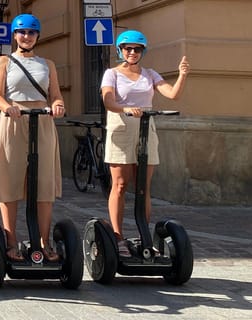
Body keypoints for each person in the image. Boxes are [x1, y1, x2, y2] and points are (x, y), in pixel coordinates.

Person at [102, 30, 189, 257]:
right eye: (128, 48)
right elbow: (108, 100)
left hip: (146, 128)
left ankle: (144, 236)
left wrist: (182, 75)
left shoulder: (149, 74)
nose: (132, 52)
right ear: (120, 50)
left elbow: (172, 95)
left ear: (142, 51)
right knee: (120, 186)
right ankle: (118, 236)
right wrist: (125, 108)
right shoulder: (111, 74)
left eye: (137, 49)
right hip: (121, 127)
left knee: (143, 187)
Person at [0, 14, 66, 262]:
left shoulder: (48, 64)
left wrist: (58, 105)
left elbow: (55, 95)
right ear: (14, 35)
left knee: (43, 182)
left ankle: (44, 242)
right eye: (22, 32)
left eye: (31, 32)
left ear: (37, 36)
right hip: (13, 122)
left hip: (42, 122)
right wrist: (7, 107)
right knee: (9, 180)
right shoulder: (4, 61)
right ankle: (11, 242)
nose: (26, 36)